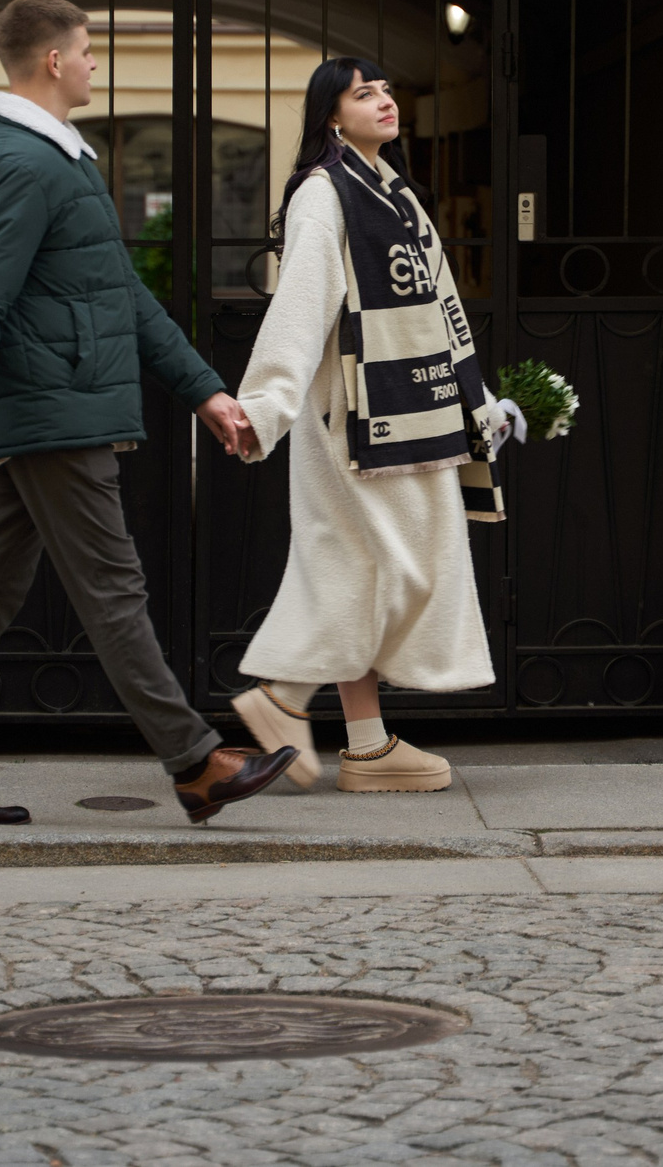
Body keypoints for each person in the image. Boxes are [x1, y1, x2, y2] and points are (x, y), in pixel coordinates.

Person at [0, 0, 296, 827]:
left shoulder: (57, 158)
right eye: (86, 51)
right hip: (55, 410)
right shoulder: (18, 162)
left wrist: (203, 389)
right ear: (53, 60)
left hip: (52, 405)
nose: (92, 64)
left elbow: (122, 294)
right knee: (114, 589)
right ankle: (196, 761)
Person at [225, 57, 522, 792]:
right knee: (396, 568)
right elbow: (300, 305)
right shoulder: (323, 194)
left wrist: (478, 403)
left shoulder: (394, 193)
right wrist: (264, 407)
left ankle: (364, 745)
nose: (385, 100)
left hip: (409, 410)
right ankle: (283, 699)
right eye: (365, 93)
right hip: (356, 419)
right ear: (332, 115)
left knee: (360, 568)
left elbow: (439, 308)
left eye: (387, 89)